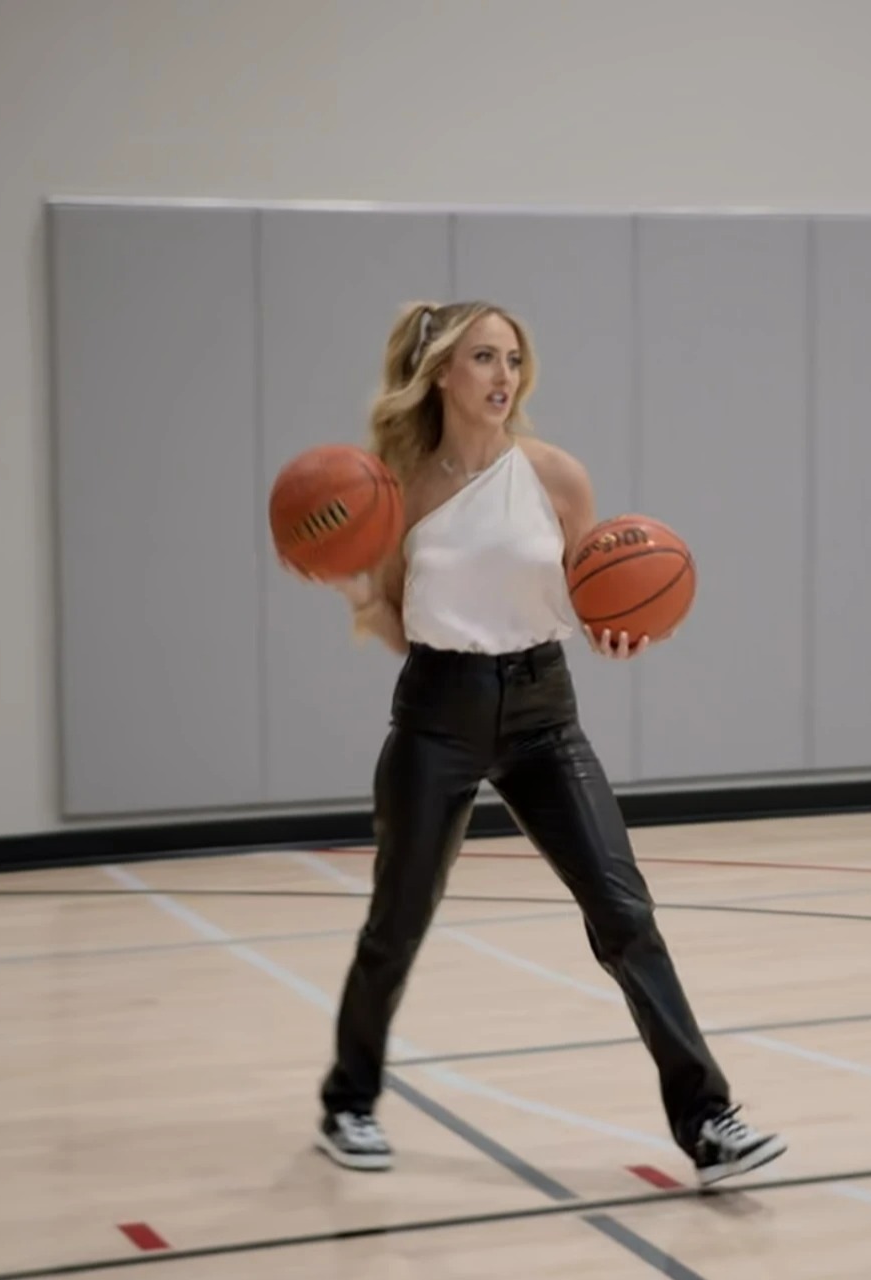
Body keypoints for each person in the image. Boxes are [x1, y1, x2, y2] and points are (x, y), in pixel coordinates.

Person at [288, 298, 786, 1187]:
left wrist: (620, 629)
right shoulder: (397, 485)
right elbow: (405, 622)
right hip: (439, 710)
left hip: (543, 712)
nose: (503, 376)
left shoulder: (557, 478)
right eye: (483, 358)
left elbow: (593, 595)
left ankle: (708, 1120)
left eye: (512, 359)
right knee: (396, 922)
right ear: (442, 371)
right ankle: (348, 1103)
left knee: (625, 915)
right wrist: (365, 597)